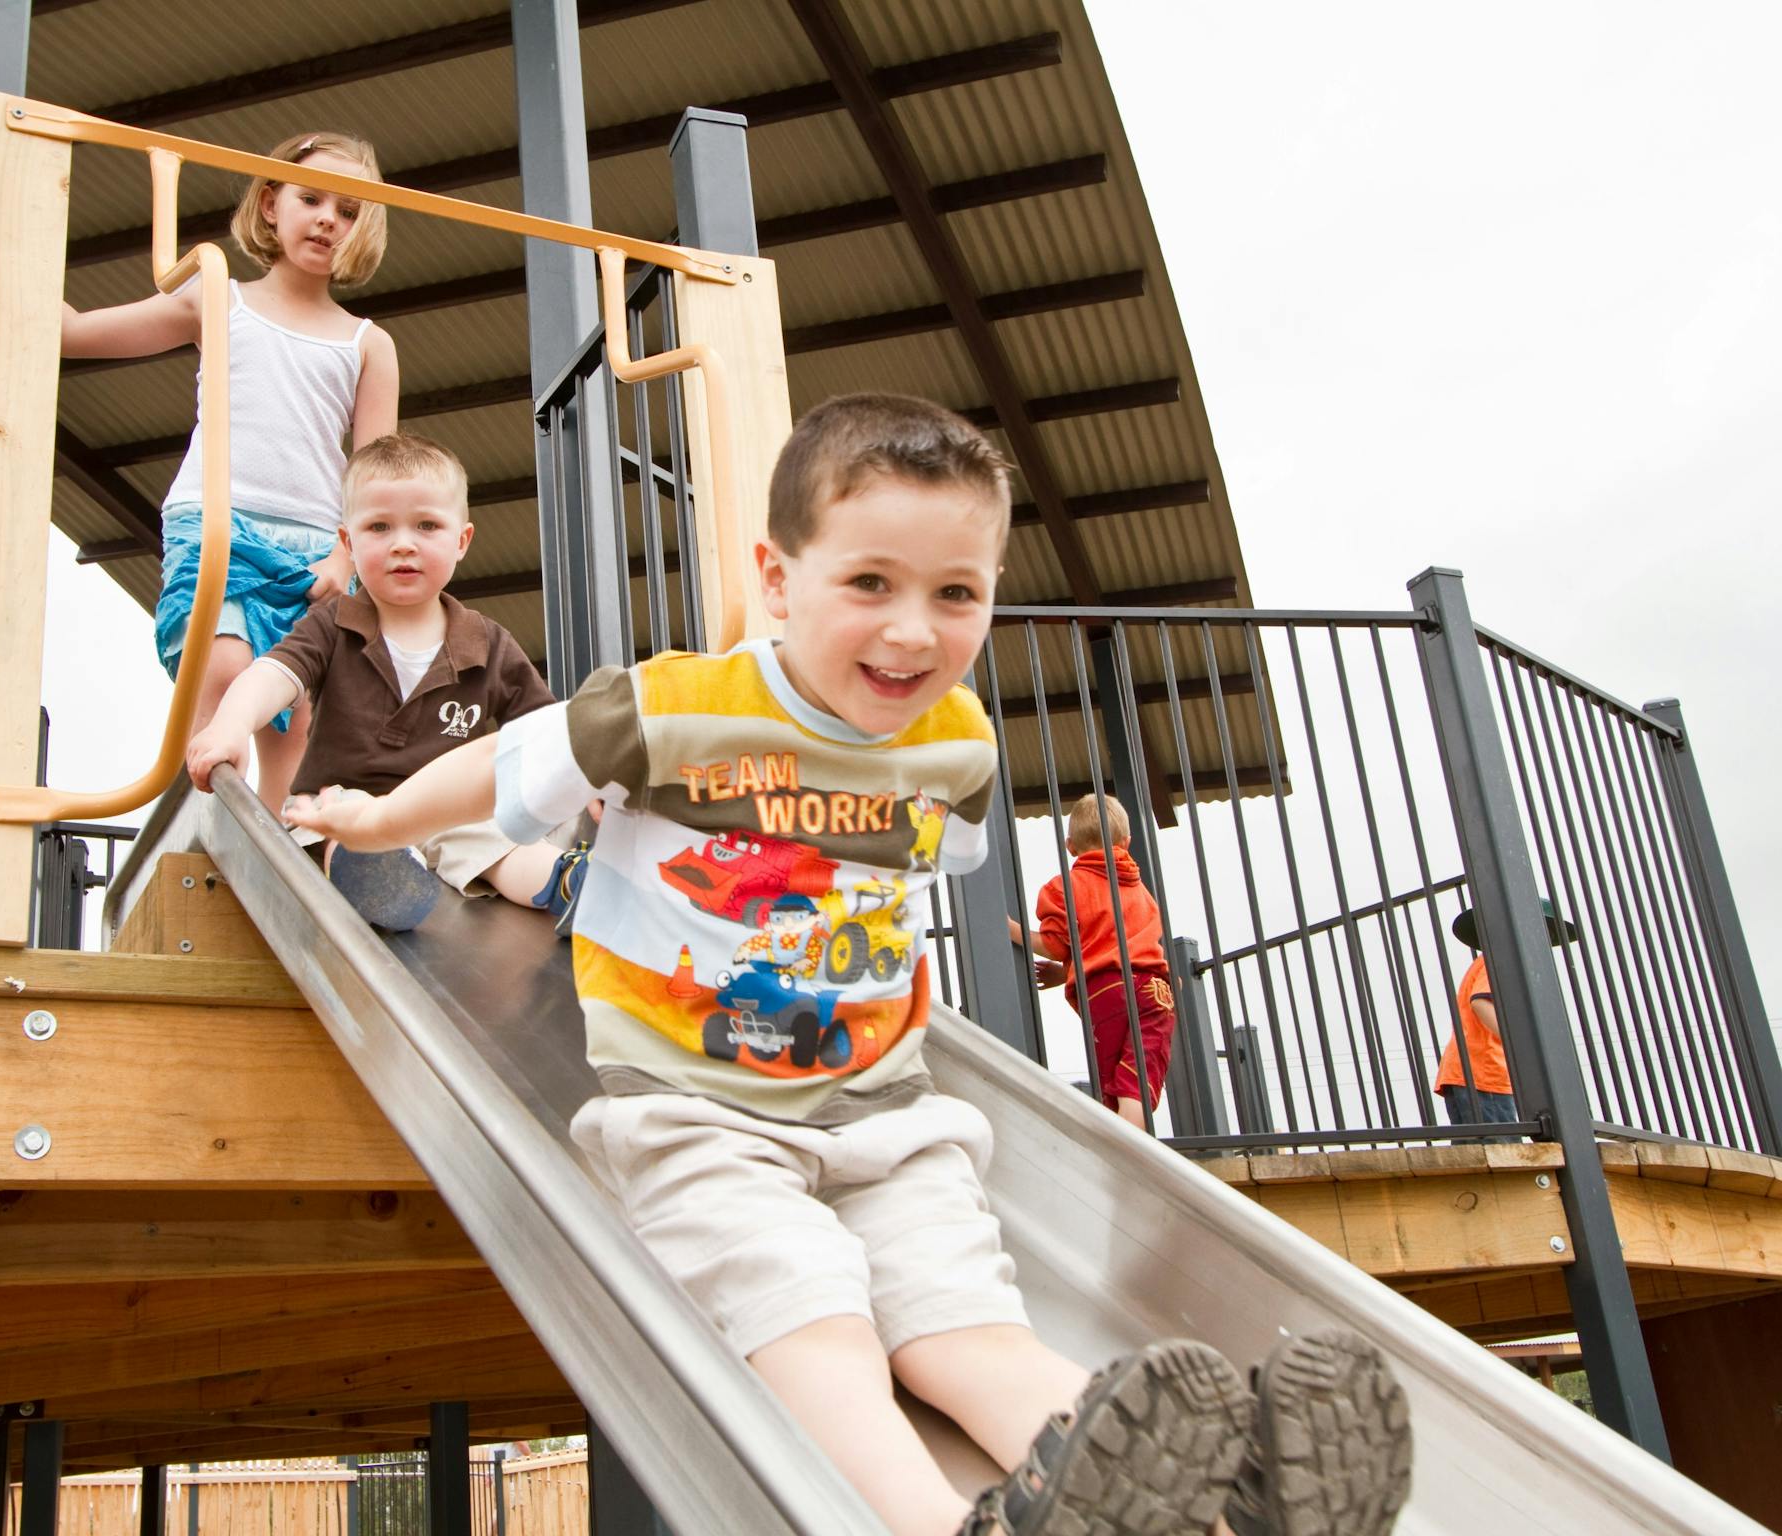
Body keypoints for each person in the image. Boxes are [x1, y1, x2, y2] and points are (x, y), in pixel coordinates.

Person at [288, 394, 1411, 1536]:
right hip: (697, 1118)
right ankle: (938, 1525)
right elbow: (497, 768)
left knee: (965, 1328)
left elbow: (938, 850)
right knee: (808, 1321)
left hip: (887, 1115)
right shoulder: (673, 708)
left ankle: (1229, 1505)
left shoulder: (956, 740)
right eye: (869, 583)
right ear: (778, 581)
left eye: (954, 593)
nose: (912, 632)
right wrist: (374, 822)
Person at [0, 129, 401, 813]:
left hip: (311, 546)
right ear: (270, 205)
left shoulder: (366, 342)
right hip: (217, 523)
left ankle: (284, 859)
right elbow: (71, 329)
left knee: (293, 722)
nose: (328, 218)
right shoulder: (217, 298)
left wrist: (346, 554)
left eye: (348, 210)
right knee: (227, 667)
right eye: (310, 198)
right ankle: (199, 829)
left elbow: (375, 472)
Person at [185, 433, 584, 930]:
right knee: (339, 821)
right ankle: (375, 882)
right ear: (348, 544)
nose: (403, 543)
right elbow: (273, 675)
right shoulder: (333, 624)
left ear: (461, 541)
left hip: (443, 811)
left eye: (426, 525)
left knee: (495, 838)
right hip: (344, 804)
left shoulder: (486, 643)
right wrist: (230, 724)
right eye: (379, 526)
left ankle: (573, 884)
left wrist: (591, 785)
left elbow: (546, 732)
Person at [1010, 793, 1175, 1134]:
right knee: (1137, 1081)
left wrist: (1013, 931)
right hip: (1153, 989)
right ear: (1126, 843)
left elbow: (1058, 944)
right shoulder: (1138, 888)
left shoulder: (1064, 888)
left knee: (1111, 1084)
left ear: (1070, 845)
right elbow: (1128, 944)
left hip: (1104, 994)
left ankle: (1121, 1157)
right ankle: (1136, 1155)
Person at [1434, 897, 1578, 1132]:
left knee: (1477, 1153)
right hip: (1484, 1073)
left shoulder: (1490, 962)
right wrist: (1518, 1043)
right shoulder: (1500, 960)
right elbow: (1481, 1002)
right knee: (1500, 1144)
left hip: (1470, 1073)